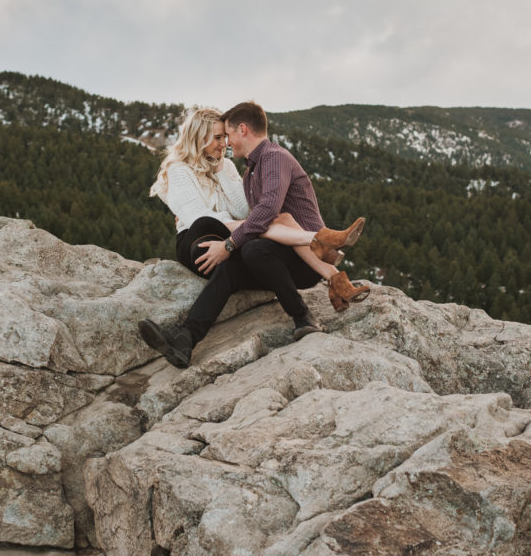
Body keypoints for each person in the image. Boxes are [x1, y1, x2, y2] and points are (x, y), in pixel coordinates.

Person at [139, 102, 369, 368]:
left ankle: (185, 338)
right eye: (217, 137)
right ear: (198, 138)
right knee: (228, 224)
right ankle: (320, 243)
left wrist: (222, 170)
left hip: (230, 245)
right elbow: (201, 218)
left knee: (237, 264)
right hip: (199, 242)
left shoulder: (233, 166)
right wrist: (234, 231)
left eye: (226, 137)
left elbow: (245, 211)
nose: (224, 143)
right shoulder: (179, 169)